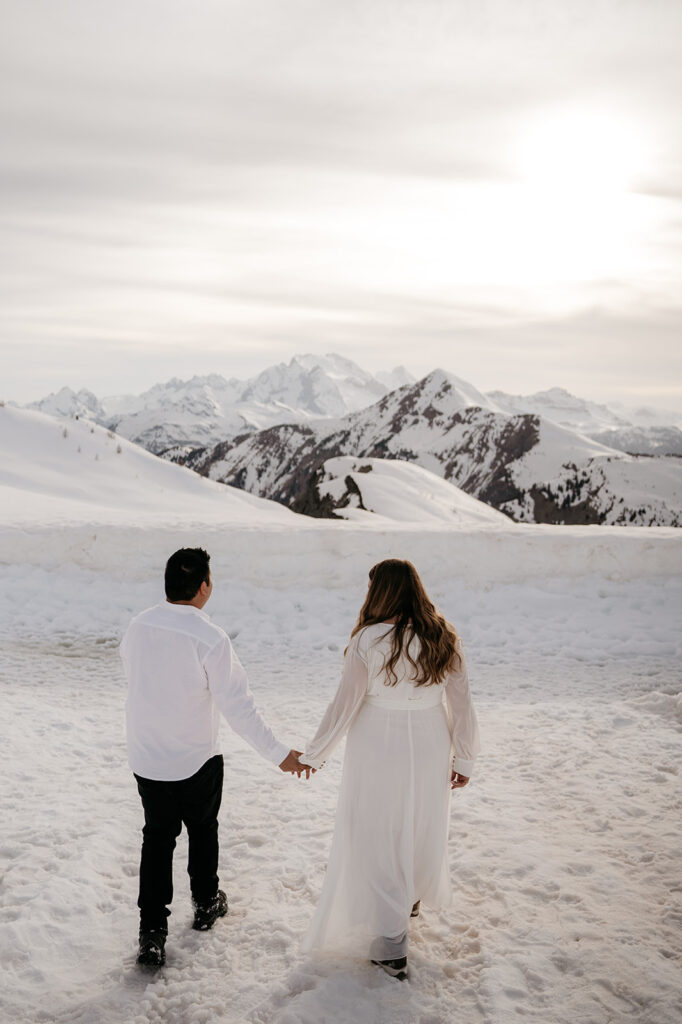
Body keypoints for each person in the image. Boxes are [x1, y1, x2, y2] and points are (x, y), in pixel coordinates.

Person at [120, 547, 304, 968]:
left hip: (147, 757)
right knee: (202, 828)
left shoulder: (137, 626)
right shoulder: (210, 638)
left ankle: (152, 932)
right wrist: (279, 754)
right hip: (195, 757)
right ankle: (205, 903)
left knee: (157, 838)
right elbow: (238, 707)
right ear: (203, 587)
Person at [299, 559, 480, 980]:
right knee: (420, 819)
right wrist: (465, 756)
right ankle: (408, 894)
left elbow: (345, 704)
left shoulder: (367, 639)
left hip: (378, 740)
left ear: (380, 592)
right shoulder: (443, 635)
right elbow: (462, 703)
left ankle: (390, 944)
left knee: (379, 828)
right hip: (432, 738)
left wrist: (315, 754)